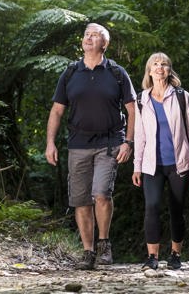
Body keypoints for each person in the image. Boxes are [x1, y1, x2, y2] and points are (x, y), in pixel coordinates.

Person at [45, 23, 136, 270]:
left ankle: (104, 244)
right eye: (86, 34)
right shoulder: (71, 72)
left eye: (95, 35)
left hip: (110, 143)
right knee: (81, 200)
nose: (88, 38)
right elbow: (57, 110)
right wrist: (50, 143)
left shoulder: (117, 73)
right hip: (78, 144)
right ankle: (88, 251)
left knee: (101, 194)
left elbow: (131, 109)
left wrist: (128, 142)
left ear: (104, 44)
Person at [132, 52, 189, 271]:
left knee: (176, 209)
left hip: (180, 163)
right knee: (152, 207)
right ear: (149, 70)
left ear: (169, 70)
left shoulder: (182, 96)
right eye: (155, 64)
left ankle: (175, 254)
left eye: (164, 64)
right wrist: (137, 166)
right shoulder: (141, 99)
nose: (159, 67)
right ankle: (152, 257)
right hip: (152, 165)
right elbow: (140, 135)